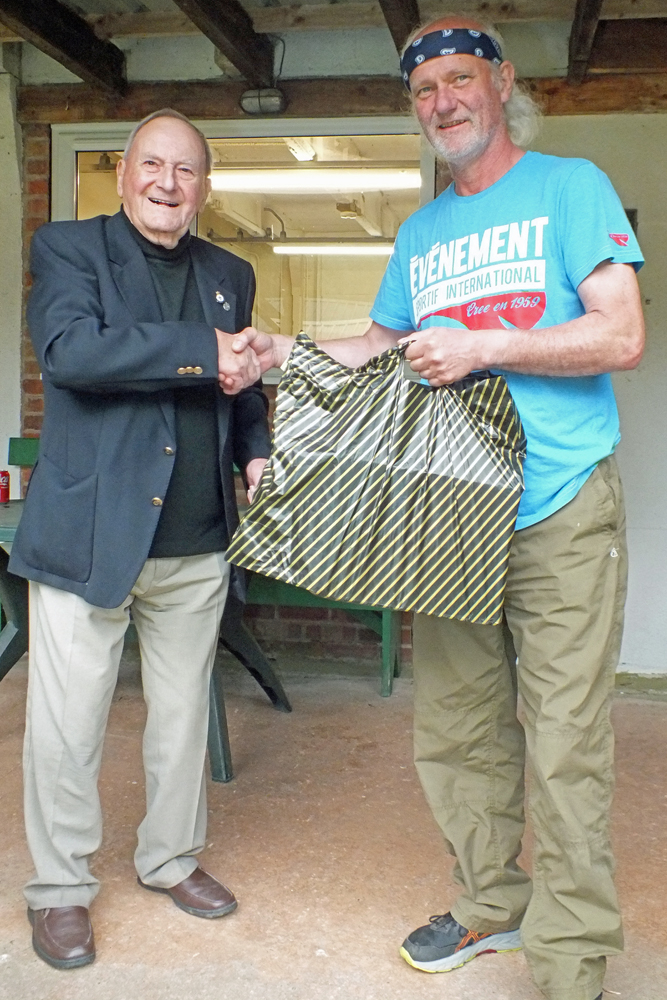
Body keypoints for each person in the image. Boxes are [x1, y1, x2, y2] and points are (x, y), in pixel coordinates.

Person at [230, 16, 645, 1000]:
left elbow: (619, 333)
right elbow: (379, 347)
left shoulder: (568, 189)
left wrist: (482, 346)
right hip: (448, 518)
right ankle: (491, 903)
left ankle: (572, 959)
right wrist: (279, 352)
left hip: (559, 504)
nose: (441, 102)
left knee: (565, 740)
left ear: (499, 84)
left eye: (458, 79)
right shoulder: (420, 233)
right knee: (458, 730)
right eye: (423, 90)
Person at [9, 109, 270, 970]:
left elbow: (242, 393)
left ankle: (168, 859)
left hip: (195, 541)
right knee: (67, 726)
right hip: (91, 538)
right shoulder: (69, 250)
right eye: (152, 165)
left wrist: (257, 450)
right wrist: (207, 350)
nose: (167, 182)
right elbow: (76, 355)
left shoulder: (230, 271)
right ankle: (59, 889)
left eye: (186, 169)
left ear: (204, 185)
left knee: (181, 718)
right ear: (123, 174)